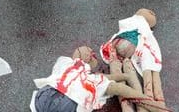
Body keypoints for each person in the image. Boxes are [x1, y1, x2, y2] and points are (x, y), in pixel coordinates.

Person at [30, 46, 167, 112]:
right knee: (117, 88)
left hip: (43, 98)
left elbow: (104, 78)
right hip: (65, 104)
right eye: (88, 50)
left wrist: (126, 75)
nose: (91, 51)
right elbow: (117, 86)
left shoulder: (66, 65)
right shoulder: (85, 76)